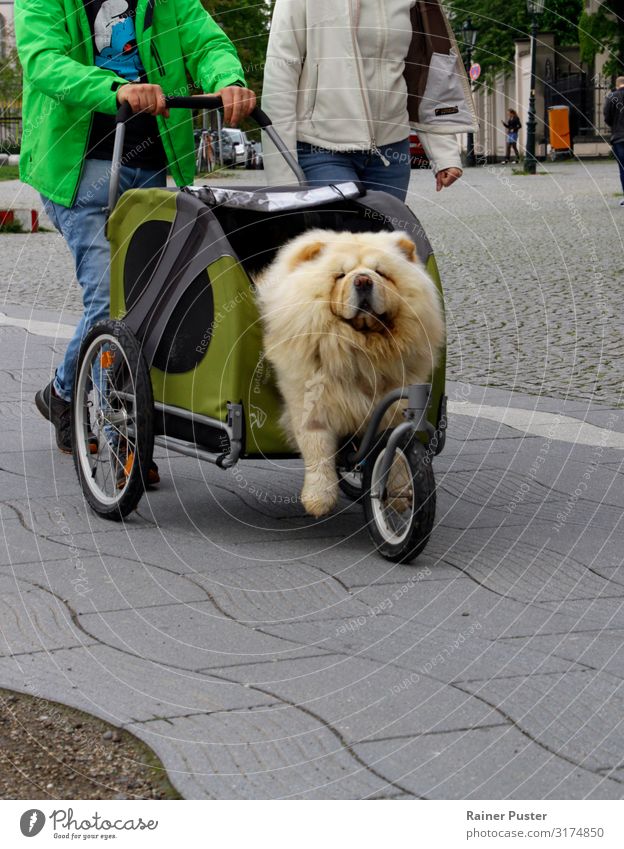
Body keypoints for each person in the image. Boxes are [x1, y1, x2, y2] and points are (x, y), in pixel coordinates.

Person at [15, 0, 256, 458]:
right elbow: (44, 61)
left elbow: (207, 42)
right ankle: (120, 431)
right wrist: (116, 88)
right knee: (110, 299)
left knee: (142, 300)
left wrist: (227, 79)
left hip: (148, 164)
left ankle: (63, 393)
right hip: (75, 170)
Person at [262, 0, 478, 201]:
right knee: (341, 239)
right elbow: (280, 74)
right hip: (321, 148)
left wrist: (444, 154)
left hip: (391, 153)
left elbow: (424, 72)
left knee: (384, 240)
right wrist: (283, 183)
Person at [604, 76, 624, 206]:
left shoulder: (612, 97)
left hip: (619, 138)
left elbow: (607, 117)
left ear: (617, 85)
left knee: (623, 168)